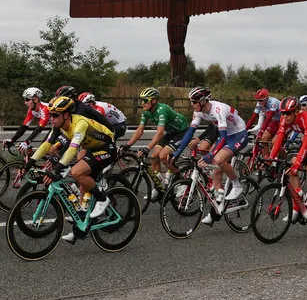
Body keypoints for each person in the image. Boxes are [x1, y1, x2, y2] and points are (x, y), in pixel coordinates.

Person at [23, 96, 116, 243]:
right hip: (90, 148)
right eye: (50, 114)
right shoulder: (60, 125)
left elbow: (72, 150)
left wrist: (56, 169)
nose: (51, 118)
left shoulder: (79, 123)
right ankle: (80, 228)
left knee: (76, 171)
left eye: (55, 115)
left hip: (107, 147)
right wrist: (27, 165)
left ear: (66, 115)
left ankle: (102, 199)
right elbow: (46, 145)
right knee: (81, 180)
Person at [170, 86, 248, 226]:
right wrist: (177, 152)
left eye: (193, 102)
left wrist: (211, 154)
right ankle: (216, 211)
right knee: (216, 171)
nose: (191, 105)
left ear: (202, 101)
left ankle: (237, 185)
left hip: (238, 133)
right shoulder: (199, 112)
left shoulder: (218, 109)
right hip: (227, 135)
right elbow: (189, 133)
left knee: (218, 159)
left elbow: (223, 137)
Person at [120, 87, 190, 198]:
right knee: (154, 157)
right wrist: (128, 144)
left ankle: (183, 181)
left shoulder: (162, 109)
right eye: (141, 100)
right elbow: (140, 130)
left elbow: (160, 132)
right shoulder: (146, 112)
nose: (142, 103)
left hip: (182, 131)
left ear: (153, 101)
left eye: (145, 100)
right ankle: (159, 187)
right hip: (171, 132)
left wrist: (147, 147)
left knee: (163, 156)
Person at [2, 88, 50, 153]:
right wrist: (12, 140)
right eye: (25, 100)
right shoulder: (31, 111)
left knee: (45, 149)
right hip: (55, 128)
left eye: (27, 100)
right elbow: (24, 127)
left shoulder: (45, 109)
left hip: (63, 128)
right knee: (43, 150)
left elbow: (39, 129)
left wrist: (26, 142)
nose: (25, 103)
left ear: (35, 99)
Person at [245, 88, 281, 157]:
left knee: (274, 143)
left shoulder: (273, 102)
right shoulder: (259, 104)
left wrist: (261, 132)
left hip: (285, 121)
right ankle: (266, 160)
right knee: (264, 138)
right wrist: (244, 131)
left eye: (261, 100)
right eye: (258, 100)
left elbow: (268, 119)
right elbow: (253, 118)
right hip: (276, 121)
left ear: (267, 98)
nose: (259, 102)